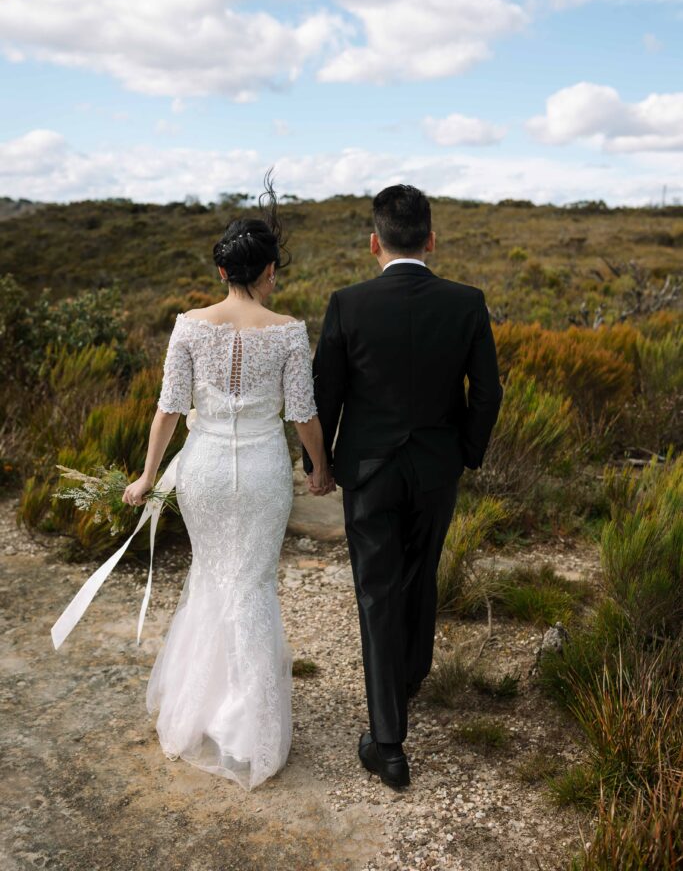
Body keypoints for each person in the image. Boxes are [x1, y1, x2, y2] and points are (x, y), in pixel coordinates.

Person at [51, 174, 334, 790]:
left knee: (212, 580)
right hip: (261, 473)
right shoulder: (287, 330)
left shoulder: (188, 325)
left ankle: (201, 713)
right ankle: (249, 728)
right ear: (268, 272)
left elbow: (168, 410)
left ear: (225, 271)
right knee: (252, 586)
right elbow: (303, 414)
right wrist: (321, 468)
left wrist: (149, 475)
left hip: (202, 471)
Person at [304, 184, 503, 790]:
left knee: (376, 592)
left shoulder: (347, 303)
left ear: (374, 242)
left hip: (369, 470)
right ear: (431, 240)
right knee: (421, 577)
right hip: (436, 467)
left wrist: (320, 465)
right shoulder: (467, 302)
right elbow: (487, 392)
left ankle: (388, 744)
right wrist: (466, 452)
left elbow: (324, 393)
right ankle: (409, 678)